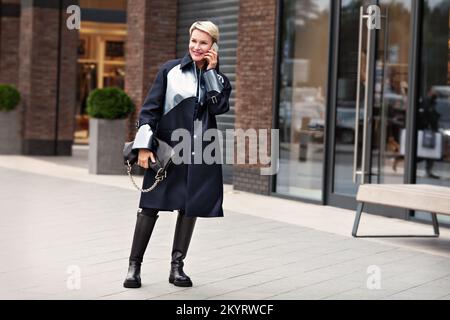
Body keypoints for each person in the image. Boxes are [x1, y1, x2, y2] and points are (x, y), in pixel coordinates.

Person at [123, 21, 232, 288]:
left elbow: (218, 108)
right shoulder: (169, 70)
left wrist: (211, 73)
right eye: (194, 41)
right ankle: (134, 267)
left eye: (203, 43)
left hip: (199, 153)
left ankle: (177, 268)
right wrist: (145, 146)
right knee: (148, 208)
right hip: (166, 151)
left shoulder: (218, 80)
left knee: (189, 207)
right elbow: (149, 110)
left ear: (213, 47)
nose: (197, 47)